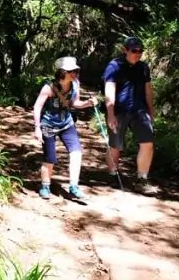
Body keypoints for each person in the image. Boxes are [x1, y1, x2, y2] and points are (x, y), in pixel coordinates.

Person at [32, 56, 96, 200]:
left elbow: (75, 103)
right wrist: (37, 128)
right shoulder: (49, 87)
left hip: (67, 123)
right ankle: (45, 185)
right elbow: (37, 107)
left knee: (76, 153)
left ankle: (74, 186)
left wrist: (88, 103)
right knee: (50, 159)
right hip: (48, 125)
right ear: (62, 72)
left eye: (76, 71)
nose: (75, 74)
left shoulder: (75, 85)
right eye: (71, 71)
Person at [103, 36, 159, 194]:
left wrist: (151, 110)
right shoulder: (114, 66)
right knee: (115, 145)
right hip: (119, 110)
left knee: (148, 142)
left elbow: (148, 89)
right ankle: (113, 175)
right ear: (125, 50)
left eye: (140, 51)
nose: (138, 53)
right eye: (134, 50)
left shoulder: (143, 68)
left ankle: (142, 179)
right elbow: (109, 89)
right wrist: (110, 113)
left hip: (139, 110)